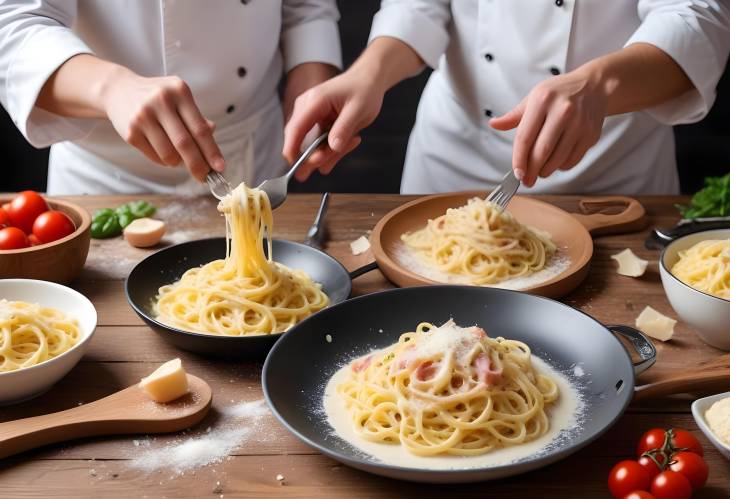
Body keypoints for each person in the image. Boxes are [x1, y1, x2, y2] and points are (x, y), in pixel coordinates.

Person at [284, 1, 730, 195]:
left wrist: (600, 84)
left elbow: (695, 17)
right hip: (452, 161)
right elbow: (420, 4)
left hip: (608, 170)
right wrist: (369, 75)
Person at [0, 1, 341, 195]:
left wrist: (310, 87)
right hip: (106, 180)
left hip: (254, 158)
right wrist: (111, 88)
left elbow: (307, 6)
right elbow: (12, 23)